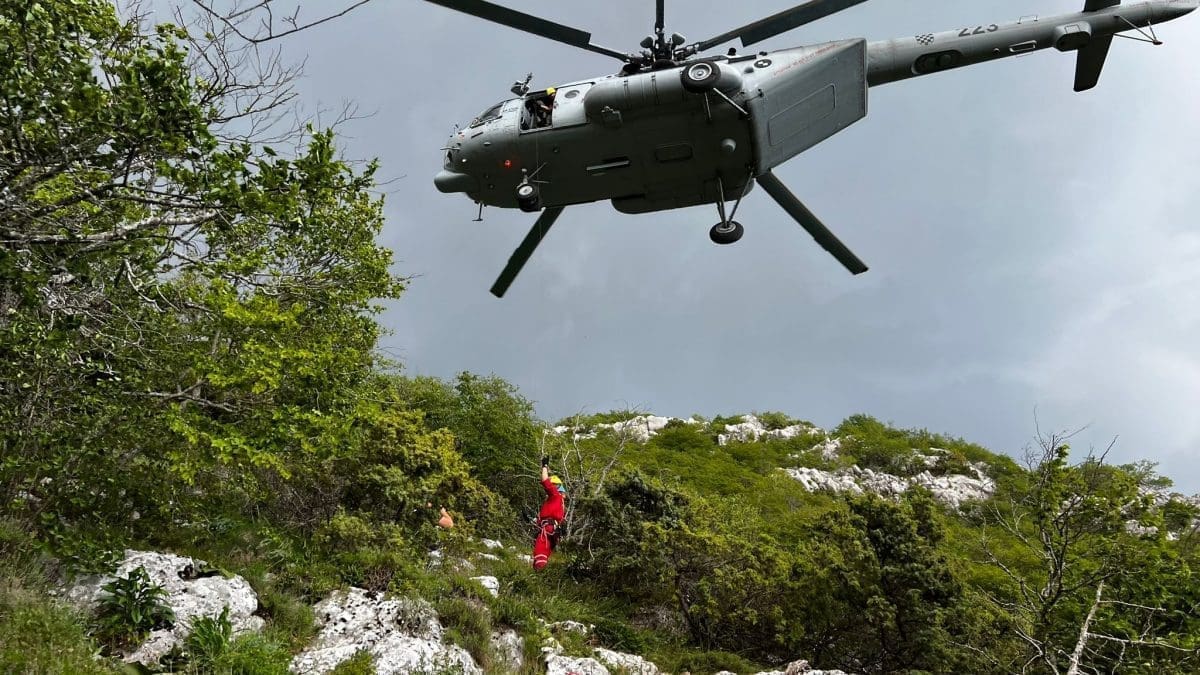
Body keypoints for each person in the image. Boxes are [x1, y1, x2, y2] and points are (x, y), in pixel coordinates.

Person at [532, 456, 565, 570]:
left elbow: (545, 481)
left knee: (540, 552)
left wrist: (544, 466)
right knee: (543, 555)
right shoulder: (559, 502)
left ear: (555, 487)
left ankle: (539, 577)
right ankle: (542, 576)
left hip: (548, 529)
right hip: (552, 530)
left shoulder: (555, 495)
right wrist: (533, 520)